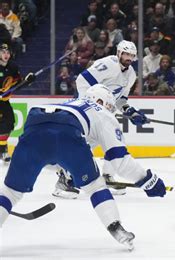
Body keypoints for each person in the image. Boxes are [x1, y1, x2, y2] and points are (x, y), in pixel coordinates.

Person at [0, 85, 166, 250]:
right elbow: (120, 161)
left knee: (10, 192)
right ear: (102, 102)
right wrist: (147, 180)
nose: (111, 109)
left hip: (35, 121)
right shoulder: (103, 114)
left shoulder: (70, 102)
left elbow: (48, 150)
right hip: (68, 130)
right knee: (95, 186)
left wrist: (66, 169)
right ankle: (116, 229)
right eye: (110, 105)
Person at [54, 40, 148, 199]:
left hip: (104, 113)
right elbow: (82, 80)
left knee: (114, 141)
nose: (128, 58)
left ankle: (106, 176)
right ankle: (65, 179)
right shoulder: (108, 64)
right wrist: (90, 106)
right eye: (126, 54)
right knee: (82, 144)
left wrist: (130, 112)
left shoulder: (131, 74)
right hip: (86, 110)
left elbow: (120, 100)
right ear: (119, 53)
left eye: (131, 55)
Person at [0, 44, 34, 162]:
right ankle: (3, 150)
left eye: (7, 52)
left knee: (9, 123)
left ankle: (2, 150)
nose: (6, 55)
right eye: (3, 52)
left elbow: (17, 85)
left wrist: (27, 81)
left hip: (3, 101)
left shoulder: (13, 67)